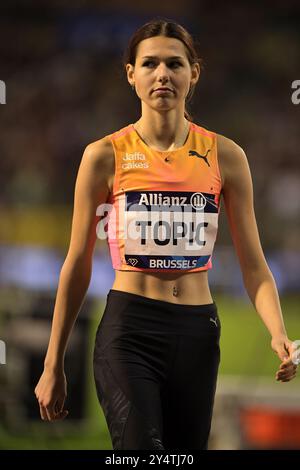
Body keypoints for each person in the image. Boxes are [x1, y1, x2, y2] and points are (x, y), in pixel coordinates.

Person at [34, 19, 297, 450]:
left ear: (194, 73)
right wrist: (53, 362)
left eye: (175, 64)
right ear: (130, 74)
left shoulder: (226, 156)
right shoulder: (103, 155)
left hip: (198, 332)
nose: (162, 74)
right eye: (150, 63)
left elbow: (254, 265)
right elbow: (77, 262)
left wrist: (278, 332)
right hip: (129, 332)